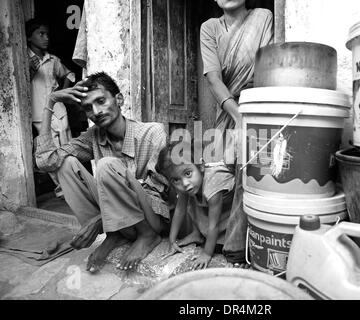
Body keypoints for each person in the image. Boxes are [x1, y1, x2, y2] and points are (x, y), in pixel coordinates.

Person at [35, 72, 170, 273]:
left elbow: (158, 192)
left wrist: (100, 219)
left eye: (100, 101)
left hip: (152, 219)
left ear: (119, 99)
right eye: (88, 107)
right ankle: (114, 234)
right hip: (118, 220)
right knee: (66, 165)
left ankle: (146, 236)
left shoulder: (153, 133)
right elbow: (46, 161)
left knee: (107, 166)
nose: (96, 111)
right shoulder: (93, 137)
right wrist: (51, 101)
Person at [200, 0, 273, 265]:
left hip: (258, 104)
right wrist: (237, 115)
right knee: (213, 181)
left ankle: (239, 250)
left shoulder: (263, 17)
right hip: (228, 108)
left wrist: (252, 113)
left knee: (253, 176)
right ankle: (208, 242)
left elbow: (268, 65)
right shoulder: (210, 28)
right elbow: (213, 78)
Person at [156, 140, 235, 269]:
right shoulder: (188, 184)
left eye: (188, 173)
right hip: (211, 209)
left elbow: (213, 225)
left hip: (230, 213)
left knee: (227, 244)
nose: (185, 183)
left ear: (201, 166)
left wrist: (206, 254)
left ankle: (207, 241)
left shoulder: (213, 183)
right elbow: (180, 210)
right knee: (188, 198)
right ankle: (198, 234)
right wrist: (172, 240)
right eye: (176, 180)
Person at [26, 18, 75, 198]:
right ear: (30, 37)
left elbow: (69, 73)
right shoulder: (23, 59)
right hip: (40, 113)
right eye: (41, 34)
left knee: (67, 147)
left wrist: (63, 91)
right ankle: (63, 188)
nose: (46, 38)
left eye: (47, 34)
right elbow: (22, 84)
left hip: (59, 110)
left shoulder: (53, 59)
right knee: (49, 150)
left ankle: (72, 184)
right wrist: (30, 70)